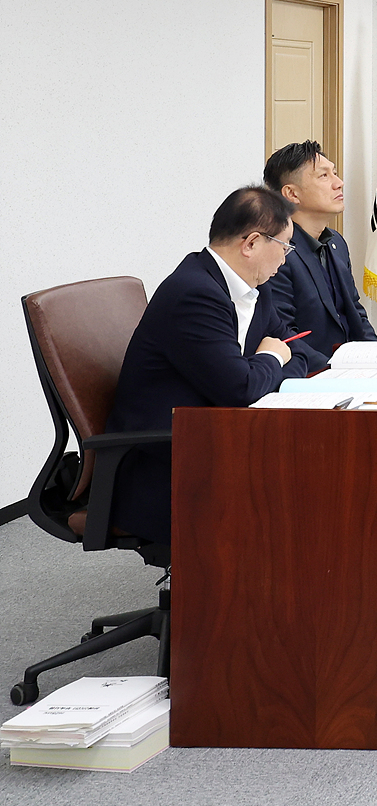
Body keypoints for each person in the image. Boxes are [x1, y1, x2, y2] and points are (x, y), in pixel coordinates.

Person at [102, 186, 313, 545]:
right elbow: (241, 388)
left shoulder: (255, 289)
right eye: (284, 246)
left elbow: (299, 352)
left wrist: (266, 367)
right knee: (301, 481)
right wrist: (272, 359)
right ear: (251, 244)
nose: (286, 258)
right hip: (170, 462)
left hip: (216, 435)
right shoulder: (194, 292)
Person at [262, 140, 376, 371]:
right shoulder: (277, 251)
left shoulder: (336, 242)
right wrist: (335, 372)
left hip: (349, 372)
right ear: (292, 193)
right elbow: (285, 335)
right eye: (324, 176)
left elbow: (356, 314)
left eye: (334, 173)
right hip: (311, 375)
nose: (339, 183)